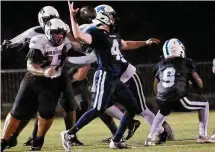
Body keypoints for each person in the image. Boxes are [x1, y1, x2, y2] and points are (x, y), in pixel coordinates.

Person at [61, 3, 161, 151]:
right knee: (99, 108)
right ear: (104, 16)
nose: (114, 18)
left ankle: (116, 140)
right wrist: (73, 17)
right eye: (111, 15)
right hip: (105, 75)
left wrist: (145, 43)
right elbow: (79, 36)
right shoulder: (95, 32)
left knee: (133, 107)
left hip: (115, 78)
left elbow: (126, 44)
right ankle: (69, 134)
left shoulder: (112, 34)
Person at [67, 23, 174, 143]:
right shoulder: (104, 40)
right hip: (114, 79)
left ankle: (161, 131)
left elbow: (81, 71)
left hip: (128, 75)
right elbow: (125, 44)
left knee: (140, 108)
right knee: (103, 105)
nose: (81, 42)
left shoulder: (98, 43)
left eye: (82, 39)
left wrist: (64, 70)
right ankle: (122, 132)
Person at [2, 6, 82, 149]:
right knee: (25, 109)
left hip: (58, 71)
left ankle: (69, 135)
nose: (51, 22)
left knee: (66, 104)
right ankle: (14, 137)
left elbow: (76, 45)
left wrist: (87, 49)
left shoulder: (62, 29)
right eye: (47, 19)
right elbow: (13, 43)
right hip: (38, 71)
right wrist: (8, 44)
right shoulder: (36, 33)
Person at [144, 38, 214, 146]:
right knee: (204, 103)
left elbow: (155, 86)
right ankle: (202, 135)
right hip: (179, 98)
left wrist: (162, 96)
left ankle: (150, 137)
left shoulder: (159, 65)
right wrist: (189, 80)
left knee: (162, 111)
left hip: (161, 99)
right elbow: (200, 84)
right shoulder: (186, 62)